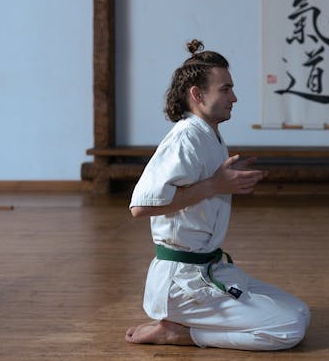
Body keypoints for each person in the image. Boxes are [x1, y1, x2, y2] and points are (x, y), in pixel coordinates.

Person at [125, 39, 310, 350]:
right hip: (183, 281)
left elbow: (203, 185)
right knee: (289, 328)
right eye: (225, 89)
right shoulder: (185, 138)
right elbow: (140, 206)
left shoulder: (208, 133)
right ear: (197, 95)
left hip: (210, 268)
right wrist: (215, 185)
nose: (234, 97)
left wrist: (225, 180)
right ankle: (180, 332)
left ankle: (183, 323)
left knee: (300, 312)